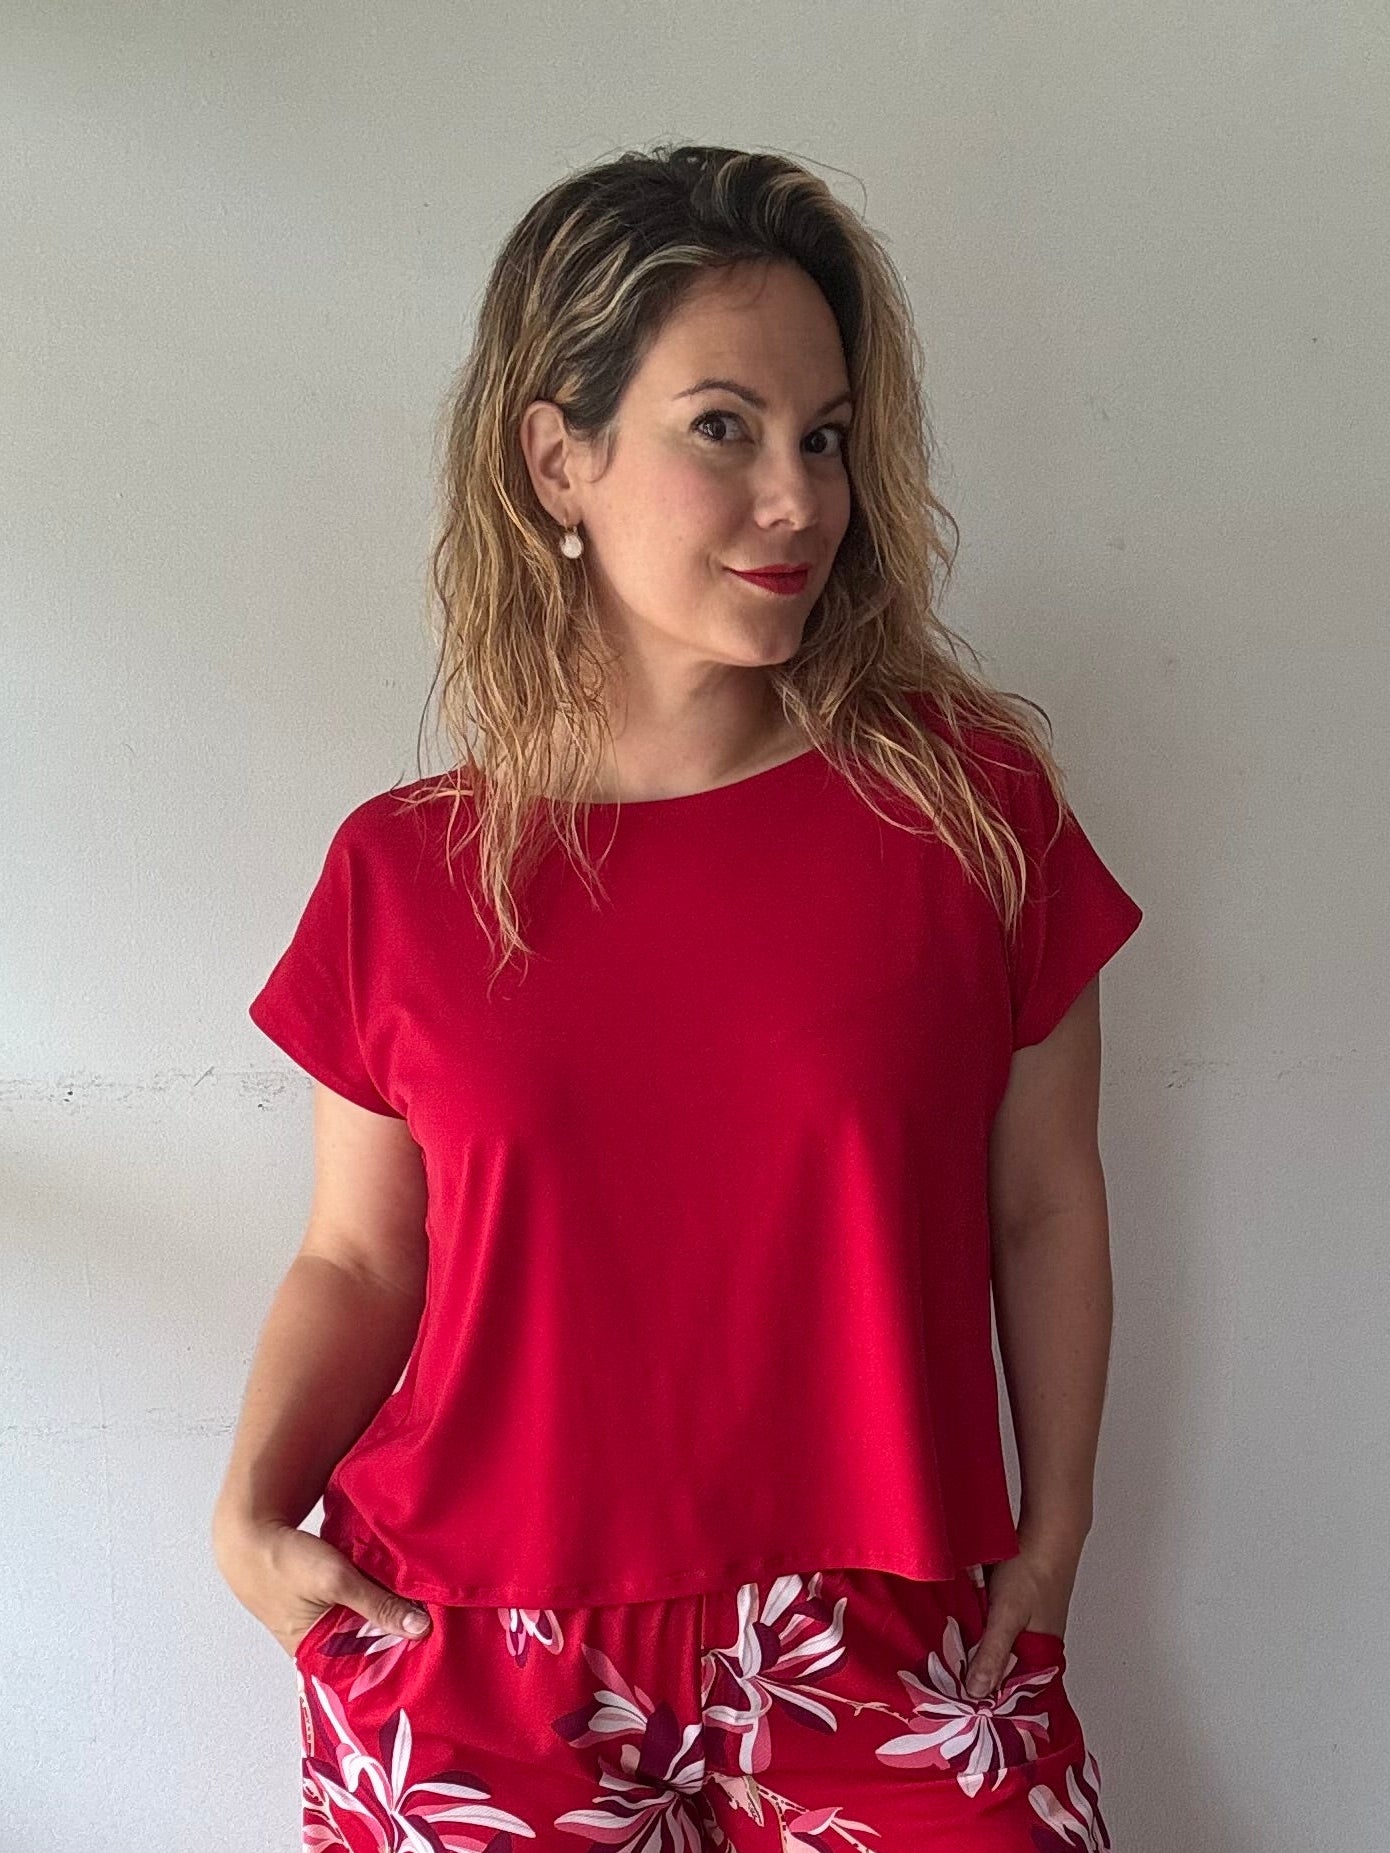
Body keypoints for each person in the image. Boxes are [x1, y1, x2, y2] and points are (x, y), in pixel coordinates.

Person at [212, 142, 1142, 1853]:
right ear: (555, 457)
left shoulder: (968, 816)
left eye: (824, 436)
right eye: (724, 428)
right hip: (476, 1647)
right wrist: (245, 1514)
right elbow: (360, 1256)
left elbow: (1042, 1201)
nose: (796, 498)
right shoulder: (405, 872)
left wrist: (1058, 1527)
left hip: (889, 1627)